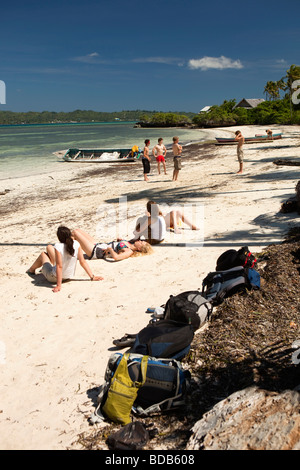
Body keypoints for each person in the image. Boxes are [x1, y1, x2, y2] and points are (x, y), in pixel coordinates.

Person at [27, 226, 103, 292]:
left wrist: (58, 285)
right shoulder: (76, 244)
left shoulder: (58, 246)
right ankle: (43, 268)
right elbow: (82, 262)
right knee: (49, 247)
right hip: (68, 276)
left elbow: (59, 266)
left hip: (54, 278)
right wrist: (92, 277)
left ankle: (31, 270)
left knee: (43, 255)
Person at [72, 228, 153, 261]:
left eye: (141, 242)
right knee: (77, 230)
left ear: (139, 249)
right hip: (99, 245)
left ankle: (66, 249)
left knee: (75, 233)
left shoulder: (129, 251)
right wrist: (119, 242)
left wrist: (110, 249)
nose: (140, 241)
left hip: (96, 251)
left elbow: (116, 257)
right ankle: (68, 249)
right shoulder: (130, 243)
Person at [133, 201, 200, 238]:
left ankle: (192, 226)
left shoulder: (157, 211)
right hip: (164, 224)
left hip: (166, 222)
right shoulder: (148, 213)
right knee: (173, 211)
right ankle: (176, 229)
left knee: (178, 211)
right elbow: (148, 218)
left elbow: (161, 214)